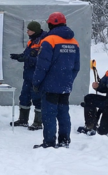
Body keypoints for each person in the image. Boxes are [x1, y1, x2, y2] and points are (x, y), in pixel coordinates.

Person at [32, 12, 80, 149]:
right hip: (65, 85)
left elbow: (42, 66)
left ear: (50, 24)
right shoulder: (74, 42)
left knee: (49, 114)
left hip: (50, 85)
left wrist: (36, 82)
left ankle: (49, 142)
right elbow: (76, 67)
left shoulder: (49, 40)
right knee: (63, 113)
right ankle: (64, 141)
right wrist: (68, 80)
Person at [10, 21, 45, 130]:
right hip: (28, 76)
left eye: (29, 30)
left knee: (37, 98)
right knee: (24, 97)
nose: (27, 31)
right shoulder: (31, 42)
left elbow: (42, 61)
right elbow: (27, 55)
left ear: (35, 31)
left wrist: (27, 59)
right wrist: (19, 56)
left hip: (37, 76)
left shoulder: (43, 42)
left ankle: (38, 122)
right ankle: (23, 120)